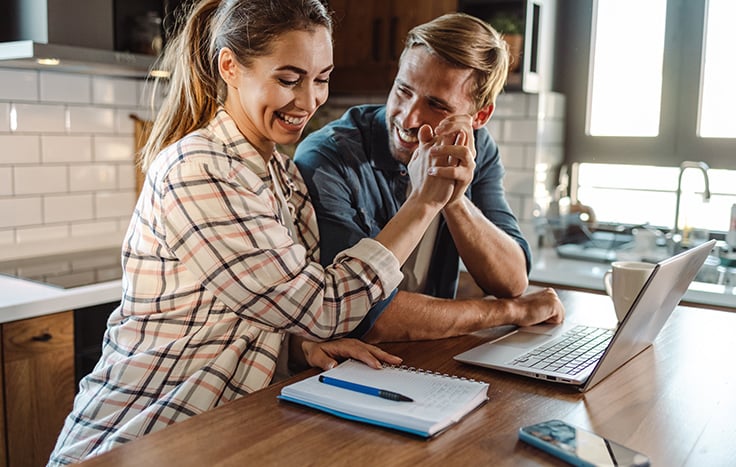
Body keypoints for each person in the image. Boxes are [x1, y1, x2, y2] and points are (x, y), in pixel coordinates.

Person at [48, 1, 459, 464]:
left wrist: (301, 348)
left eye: (321, 78)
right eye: (288, 79)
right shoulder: (198, 169)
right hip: (136, 436)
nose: (308, 101)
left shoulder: (282, 176)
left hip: (213, 434)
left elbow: (252, 316)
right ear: (230, 67)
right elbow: (323, 306)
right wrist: (424, 202)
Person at [294, 12, 565, 343]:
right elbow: (360, 314)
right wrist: (512, 312)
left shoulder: (475, 149)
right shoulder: (328, 157)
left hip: (430, 359)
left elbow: (511, 281)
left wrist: (454, 199)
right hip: (343, 368)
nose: (409, 117)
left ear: (479, 116)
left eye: (436, 105)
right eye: (403, 90)